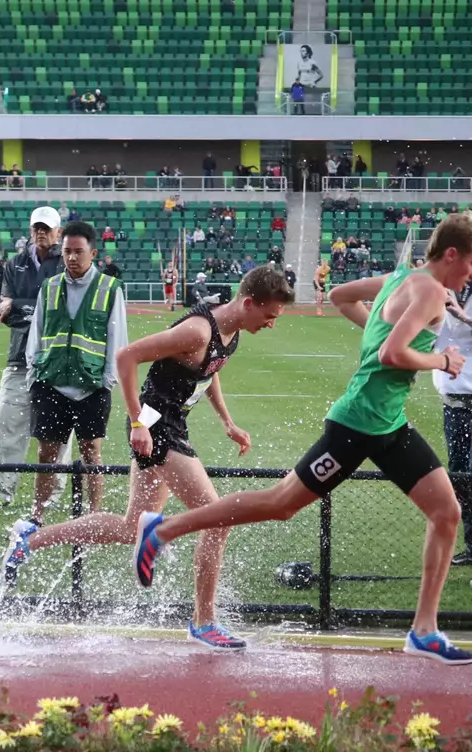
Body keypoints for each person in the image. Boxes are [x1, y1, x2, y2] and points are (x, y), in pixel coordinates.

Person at [133, 214, 472, 663]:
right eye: (470, 264)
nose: (471, 274)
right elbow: (393, 353)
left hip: (387, 424)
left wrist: (381, 332)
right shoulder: (428, 289)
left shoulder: (403, 278)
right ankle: (163, 530)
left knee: (446, 512)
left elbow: (340, 296)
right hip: (357, 425)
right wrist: (441, 361)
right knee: (281, 503)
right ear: (452, 254)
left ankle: (424, 631)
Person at [4, 266, 294, 648]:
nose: (272, 324)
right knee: (218, 518)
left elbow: (210, 369)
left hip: (171, 425)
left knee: (129, 528)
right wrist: (138, 421)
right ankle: (203, 622)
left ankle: (28, 541)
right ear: (248, 303)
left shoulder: (230, 331)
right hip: (156, 427)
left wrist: (227, 421)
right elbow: (127, 357)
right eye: (270, 316)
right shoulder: (198, 330)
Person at [23, 221, 128, 525]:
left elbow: (117, 339)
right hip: (51, 384)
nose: (71, 257)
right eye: (67, 251)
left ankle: (94, 517)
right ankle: (37, 515)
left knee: (92, 453)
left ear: (92, 253)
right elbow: (37, 333)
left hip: (92, 387)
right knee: (46, 455)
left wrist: (107, 382)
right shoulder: (50, 286)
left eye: (78, 252)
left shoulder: (110, 289)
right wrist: (35, 378)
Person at [0, 206, 66, 510]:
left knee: (55, 435)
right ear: (30, 230)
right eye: (36, 228)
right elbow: (6, 310)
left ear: (58, 232)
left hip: (57, 362)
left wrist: (21, 308)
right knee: (7, 427)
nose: (41, 233)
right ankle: (0, 492)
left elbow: (61, 309)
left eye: (46, 228)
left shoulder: (68, 262)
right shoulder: (15, 264)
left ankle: (51, 498)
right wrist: (25, 309)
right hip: (19, 359)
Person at [435, 295, 472, 565]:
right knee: (459, 475)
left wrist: (463, 315)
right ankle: (471, 546)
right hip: (453, 404)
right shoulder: (439, 287)